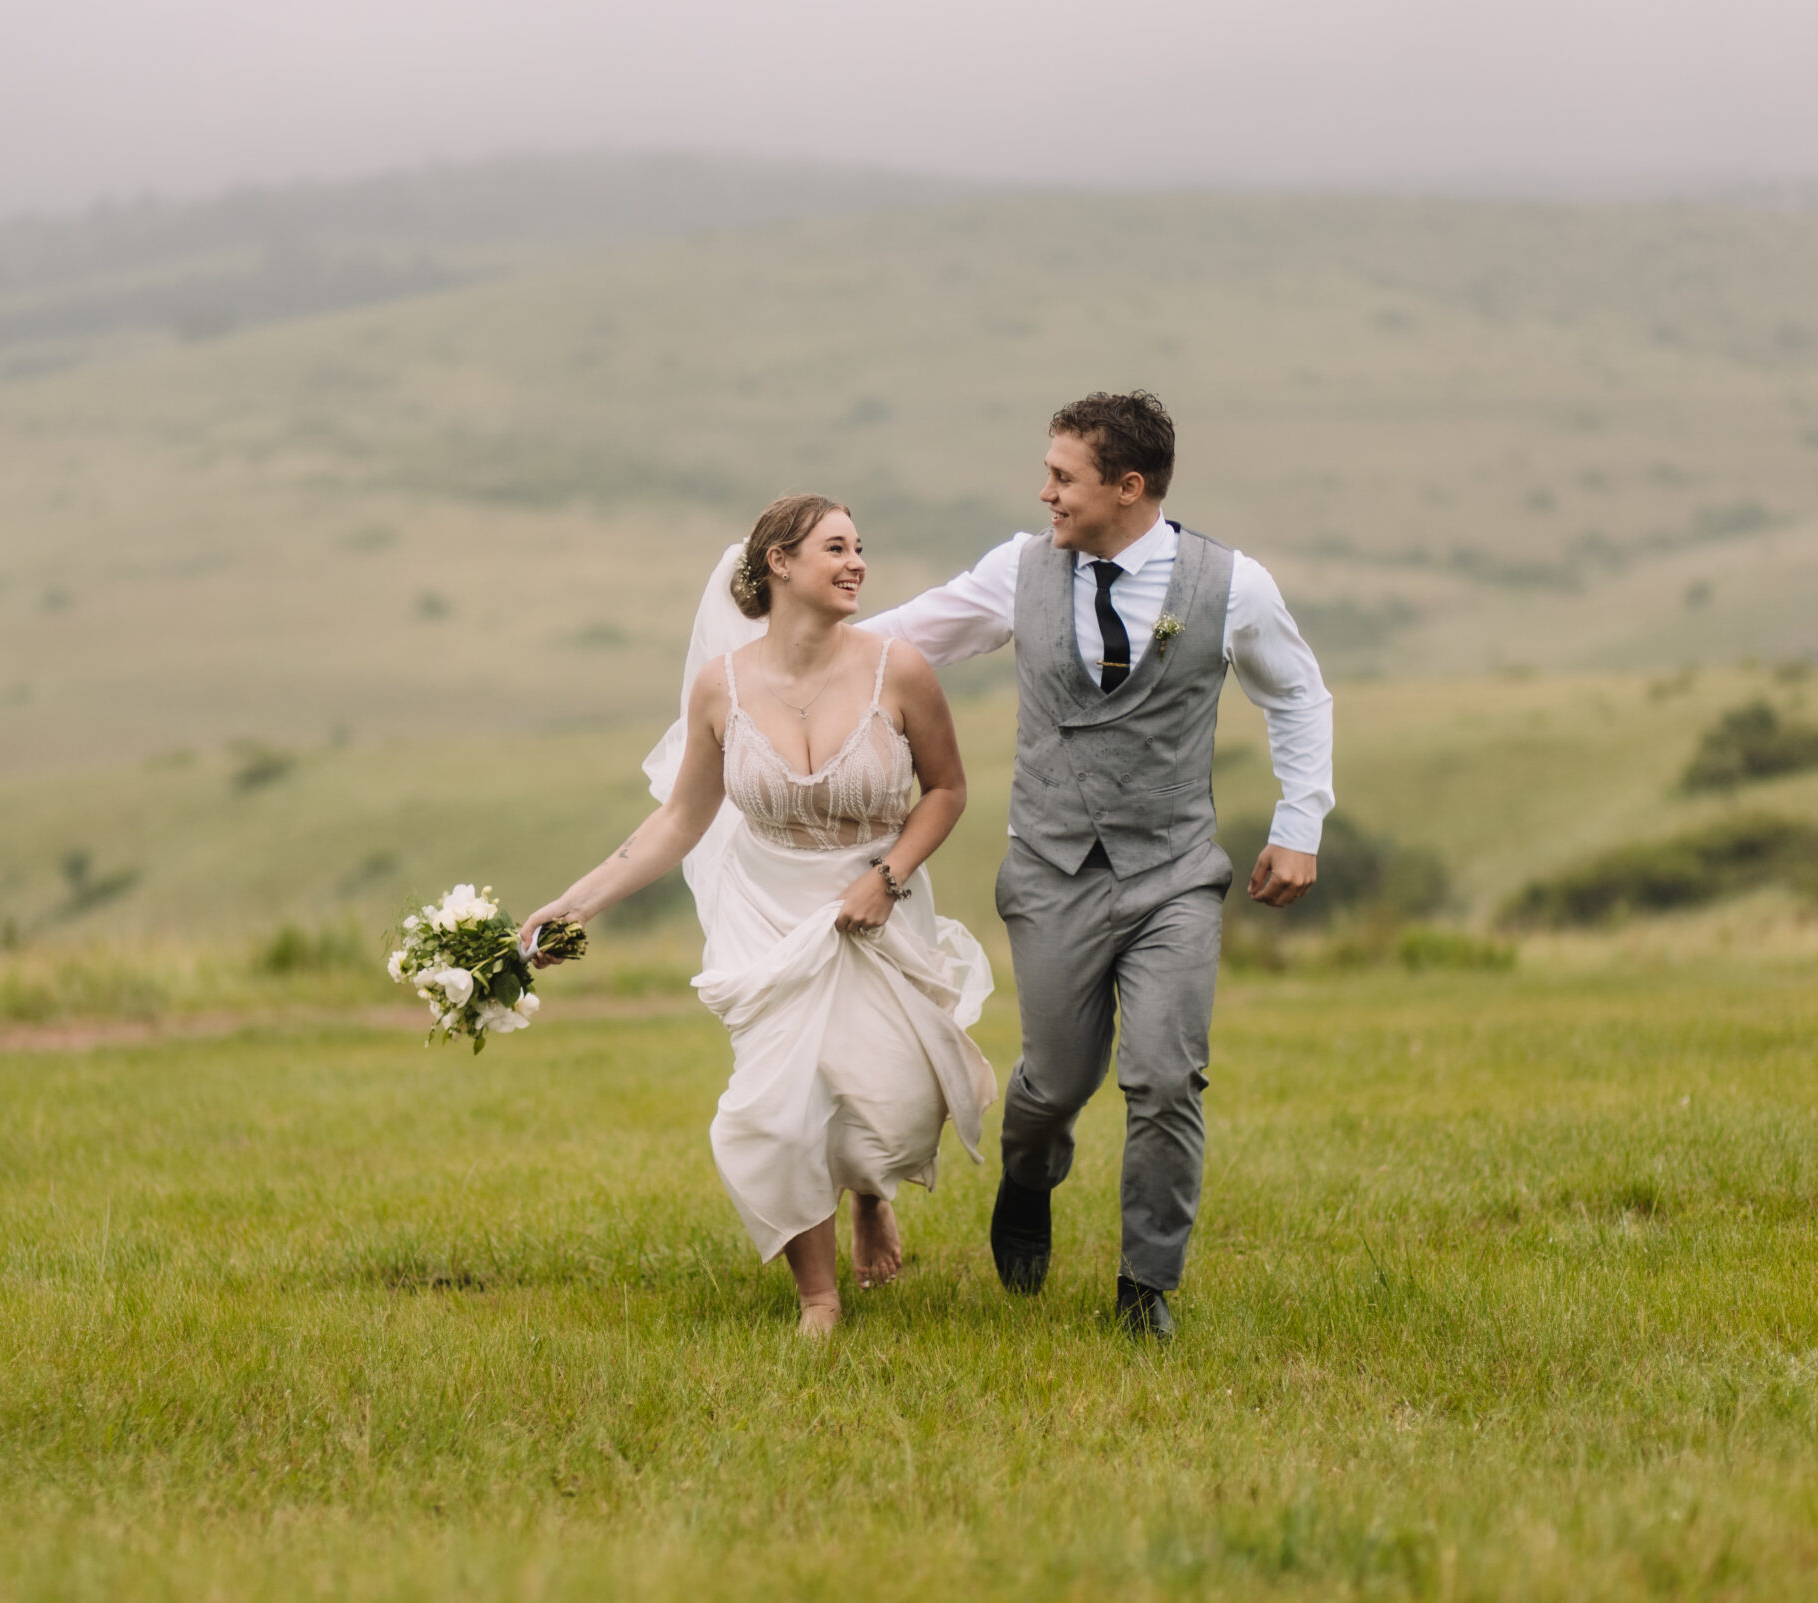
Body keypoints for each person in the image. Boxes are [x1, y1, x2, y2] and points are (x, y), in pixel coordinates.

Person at [861, 390, 1333, 1341]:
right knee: (1055, 1081)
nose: (1044, 493)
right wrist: (774, 657)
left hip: (1173, 874)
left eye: (1062, 477)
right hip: (1050, 871)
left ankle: (1145, 1287)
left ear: (1128, 486)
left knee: (1165, 1077)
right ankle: (1030, 1175)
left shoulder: (1234, 585)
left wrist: (1300, 822)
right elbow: (897, 640)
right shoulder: (1018, 572)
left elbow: (1300, 696)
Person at [522, 494, 997, 1338]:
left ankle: (868, 1193)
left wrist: (887, 877)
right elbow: (679, 821)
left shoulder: (902, 670)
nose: (857, 564)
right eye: (836, 548)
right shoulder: (722, 689)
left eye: (860, 548)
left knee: (895, 1106)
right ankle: (817, 1296)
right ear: (778, 562)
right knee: (769, 1110)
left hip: (877, 902)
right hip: (765, 914)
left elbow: (949, 791)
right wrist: (575, 903)